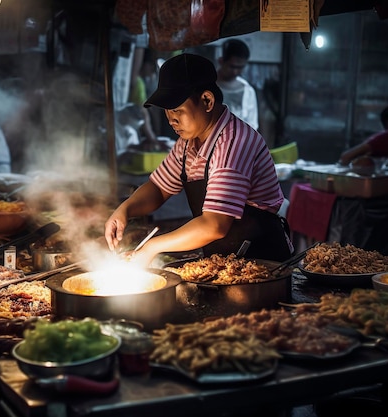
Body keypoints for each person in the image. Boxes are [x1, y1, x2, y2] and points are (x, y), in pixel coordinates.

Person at [104, 53, 293, 267]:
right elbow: (158, 188)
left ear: (207, 100)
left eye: (177, 109)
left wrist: (152, 247)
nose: (171, 119)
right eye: (167, 110)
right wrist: (125, 209)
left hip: (264, 264)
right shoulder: (188, 142)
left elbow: (215, 225)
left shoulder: (232, 143)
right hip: (226, 261)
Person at [216, 38, 259, 131]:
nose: (235, 72)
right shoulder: (206, 85)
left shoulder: (248, 91)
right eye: (232, 66)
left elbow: (252, 125)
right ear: (221, 61)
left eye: (240, 67)